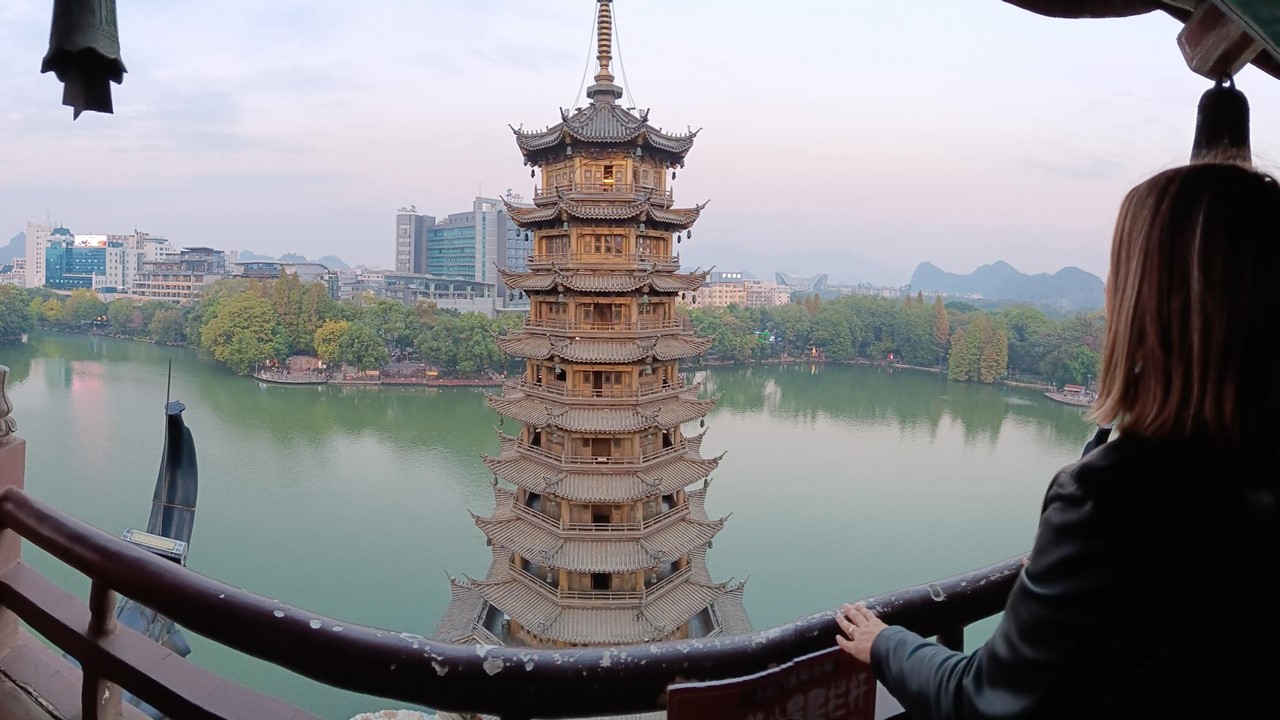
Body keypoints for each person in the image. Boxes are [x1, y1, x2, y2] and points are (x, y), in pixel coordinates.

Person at [835, 162, 1280, 718]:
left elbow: (982, 699)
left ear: (1143, 303)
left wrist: (885, 643)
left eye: (1118, 273)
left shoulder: (1114, 496)